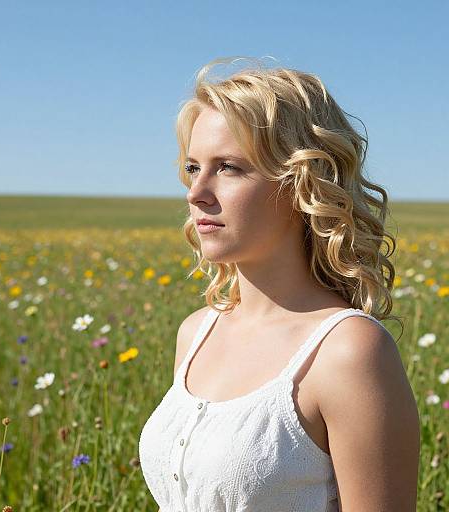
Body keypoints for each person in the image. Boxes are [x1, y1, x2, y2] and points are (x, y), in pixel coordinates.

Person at [138, 56, 420, 512]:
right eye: (193, 168)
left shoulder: (348, 352)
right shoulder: (196, 333)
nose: (196, 192)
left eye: (228, 167)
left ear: (300, 183)